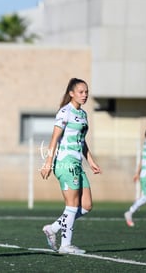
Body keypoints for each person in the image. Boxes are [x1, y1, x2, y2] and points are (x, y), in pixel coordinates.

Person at [40, 78, 101, 254]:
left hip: (77, 163)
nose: (85, 95)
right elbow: (54, 139)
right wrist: (48, 163)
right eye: (81, 92)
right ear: (71, 93)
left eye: (86, 92)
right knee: (72, 205)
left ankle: (53, 228)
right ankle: (65, 245)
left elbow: (81, 141)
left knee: (87, 205)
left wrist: (90, 160)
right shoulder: (64, 112)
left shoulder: (82, 115)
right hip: (65, 163)